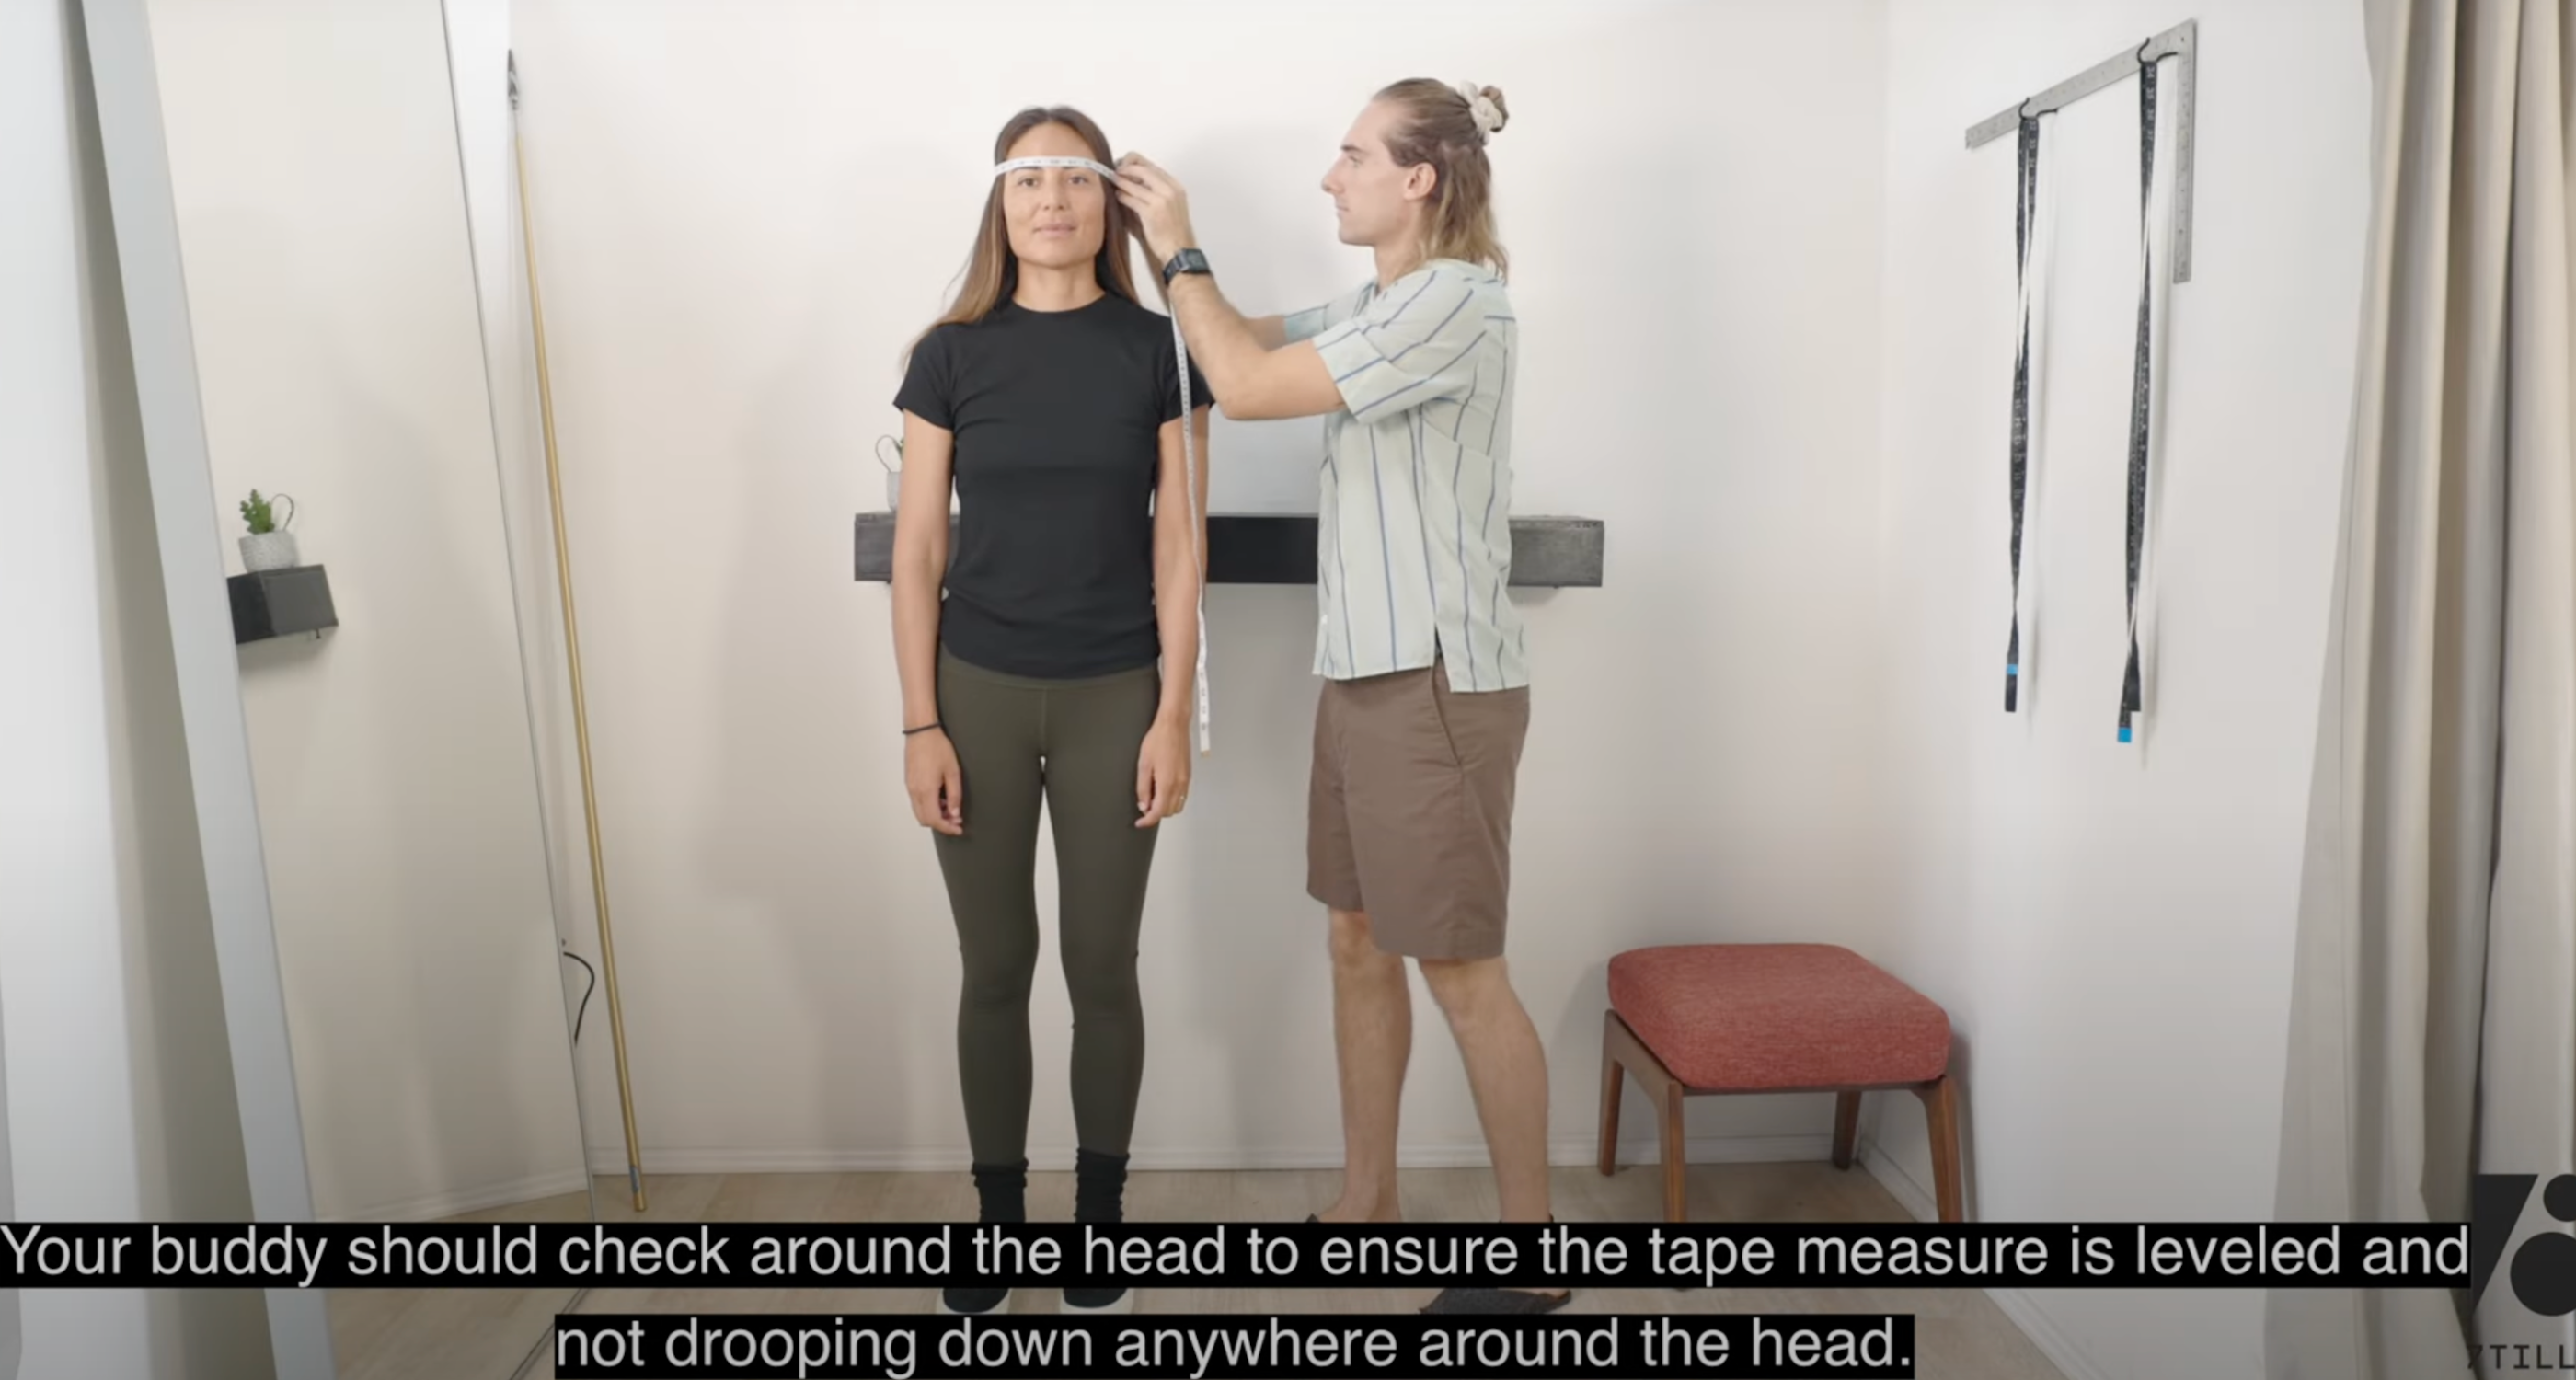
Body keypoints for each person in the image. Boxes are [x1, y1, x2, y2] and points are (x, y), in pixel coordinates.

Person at [1116, 79, 1568, 1315]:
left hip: (1437, 686)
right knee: (1357, 940)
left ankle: (1533, 1264)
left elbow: (1251, 389)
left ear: (1420, 178)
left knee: (1461, 969)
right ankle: (1369, 1204)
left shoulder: (1457, 303)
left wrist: (1181, 243)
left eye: (1354, 156)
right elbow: (1231, 344)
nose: (1331, 176)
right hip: (1363, 675)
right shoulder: (1378, 303)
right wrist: (1141, 269)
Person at [890, 104, 1210, 1318]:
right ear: (1001, 203)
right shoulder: (949, 354)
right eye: (1027, 181)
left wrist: (1171, 714)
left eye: (1073, 179)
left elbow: (1180, 548)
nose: (1051, 201)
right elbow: (919, 551)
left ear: (1107, 201)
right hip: (974, 693)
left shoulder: (1161, 351)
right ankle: (998, 1220)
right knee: (993, 969)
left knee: (1101, 969)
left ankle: (1098, 1218)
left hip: (1114, 695)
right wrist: (920, 724)